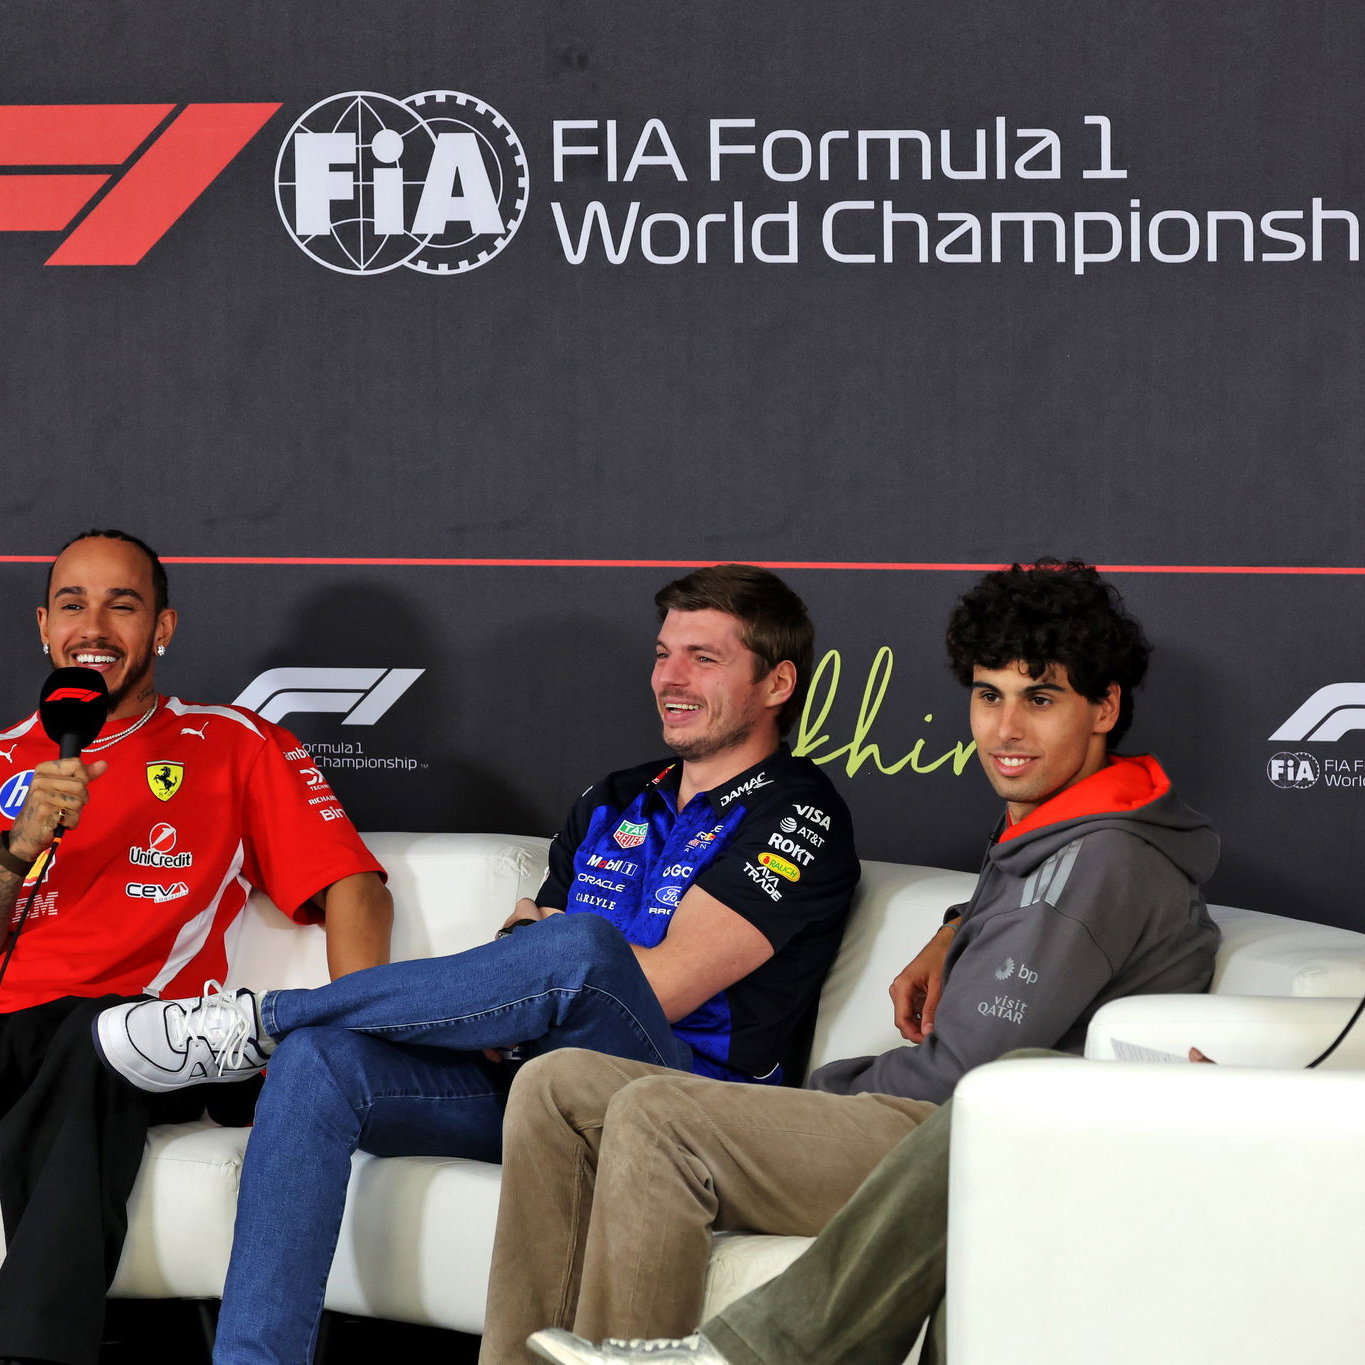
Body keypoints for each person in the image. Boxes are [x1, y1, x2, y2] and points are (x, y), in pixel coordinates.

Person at [93, 563, 861, 1365]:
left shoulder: (797, 810)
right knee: (320, 1064)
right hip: (534, 1086)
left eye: (703, 658)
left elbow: (652, 986)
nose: (669, 677)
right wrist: (516, 986)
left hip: (679, 1103)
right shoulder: (614, 797)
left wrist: (538, 967)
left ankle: (264, 1017)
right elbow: (524, 951)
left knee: (582, 948)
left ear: (776, 682)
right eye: (664, 653)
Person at [478, 558, 1221, 1364]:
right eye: (987, 695)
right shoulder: (1064, 829)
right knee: (558, 1083)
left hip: (970, 1138)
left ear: (1103, 706)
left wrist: (831, 1084)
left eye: (1040, 699)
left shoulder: (1101, 855)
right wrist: (955, 923)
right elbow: (1035, 917)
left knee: (661, 1117)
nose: (1005, 730)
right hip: (941, 1120)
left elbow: (965, 1073)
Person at [0, 529, 392, 1365]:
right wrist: (16, 846)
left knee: (92, 1038)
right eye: (73, 603)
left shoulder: (232, 743)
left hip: (139, 1038)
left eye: (123, 604)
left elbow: (353, 886)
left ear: (164, 629)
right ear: (43, 625)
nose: (94, 625)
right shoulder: (3, 759)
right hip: (11, 1031)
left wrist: (361, 1037)